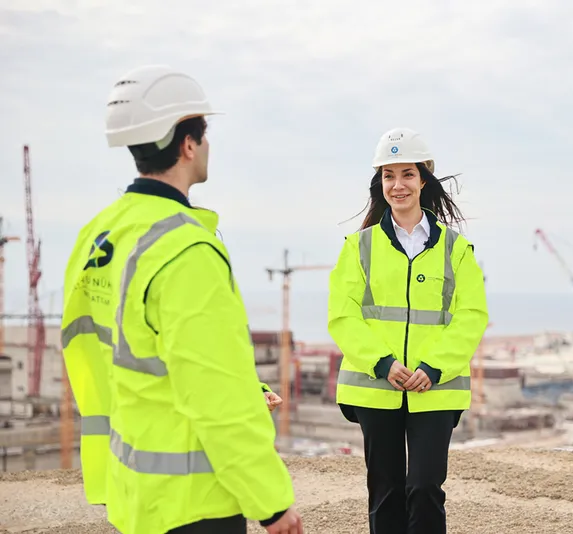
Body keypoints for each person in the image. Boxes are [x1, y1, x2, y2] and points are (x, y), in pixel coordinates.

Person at [60, 65, 303, 534]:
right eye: (204, 133)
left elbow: (120, 353)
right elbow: (215, 396)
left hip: (134, 488)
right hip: (192, 500)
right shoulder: (185, 248)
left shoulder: (102, 233)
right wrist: (271, 503)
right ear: (187, 143)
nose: (207, 144)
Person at [327, 127, 489, 534]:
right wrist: (382, 363)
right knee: (385, 491)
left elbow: (471, 315)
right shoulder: (358, 247)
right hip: (375, 386)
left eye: (407, 174)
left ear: (424, 180)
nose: (397, 185)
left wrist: (434, 367)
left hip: (434, 387)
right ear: (379, 183)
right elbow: (342, 315)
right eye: (388, 176)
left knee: (424, 487)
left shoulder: (456, 249)